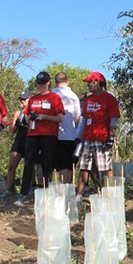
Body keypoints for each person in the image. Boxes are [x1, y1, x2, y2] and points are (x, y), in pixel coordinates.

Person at [15, 72, 64, 206]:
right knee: (28, 162)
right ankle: (24, 193)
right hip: (32, 134)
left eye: (43, 83)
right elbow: (25, 118)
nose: (40, 86)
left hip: (49, 135)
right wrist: (30, 117)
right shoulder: (32, 99)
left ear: (48, 82)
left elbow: (60, 118)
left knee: (46, 163)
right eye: (38, 84)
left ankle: (47, 191)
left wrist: (45, 117)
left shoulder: (55, 98)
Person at [76, 71, 119, 200]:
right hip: (88, 138)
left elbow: (114, 118)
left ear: (98, 83)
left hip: (102, 138)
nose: (88, 85)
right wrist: (79, 137)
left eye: (91, 82)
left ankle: (111, 196)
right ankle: (79, 195)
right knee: (84, 167)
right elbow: (84, 119)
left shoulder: (109, 98)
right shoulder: (89, 99)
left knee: (105, 168)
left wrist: (111, 137)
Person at [0, 90, 32, 200]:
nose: (22, 101)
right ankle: (8, 190)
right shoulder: (18, 113)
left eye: (24, 99)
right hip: (19, 140)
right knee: (12, 166)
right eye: (21, 99)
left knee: (29, 166)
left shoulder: (33, 111)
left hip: (30, 140)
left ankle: (27, 190)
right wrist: (17, 121)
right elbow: (13, 130)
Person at [51, 72, 81, 184]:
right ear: (67, 81)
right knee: (67, 165)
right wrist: (73, 129)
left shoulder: (52, 94)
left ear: (55, 82)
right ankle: (66, 190)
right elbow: (78, 116)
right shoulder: (74, 96)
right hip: (70, 135)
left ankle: (53, 190)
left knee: (52, 165)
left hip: (54, 135)